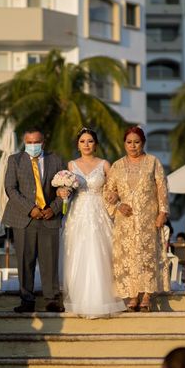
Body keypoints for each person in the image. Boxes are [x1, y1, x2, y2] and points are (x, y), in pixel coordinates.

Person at [60, 128, 126, 317]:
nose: (86, 145)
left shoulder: (105, 164)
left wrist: (114, 195)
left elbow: (116, 187)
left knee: (100, 252)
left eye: (90, 141)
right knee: (77, 252)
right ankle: (80, 300)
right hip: (78, 212)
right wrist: (62, 192)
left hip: (99, 211)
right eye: (82, 141)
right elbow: (67, 190)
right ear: (78, 145)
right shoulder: (71, 166)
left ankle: (101, 299)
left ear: (95, 144)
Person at [104, 126, 170, 312]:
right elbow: (108, 191)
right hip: (124, 220)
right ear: (124, 144)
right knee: (129, 257)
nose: (133, 146)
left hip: (148, 218)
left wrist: (162, 212)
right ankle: (133, 295)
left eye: (137, 142)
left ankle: (147, 294)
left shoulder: (153, 162)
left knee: (147, 255)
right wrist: (118, 205)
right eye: (129, 142)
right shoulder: (117, 166)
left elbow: (162, 188)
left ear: (143, 143)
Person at [3, 127, 66, 313]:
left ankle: (52, 299)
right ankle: (27, 300)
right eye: (29, 143)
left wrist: (53, 209)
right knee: (25, 261)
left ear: (43, 142)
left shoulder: (56, 160)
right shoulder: (14, 160)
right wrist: (30, 209)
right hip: (24, 218)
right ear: (24, 143)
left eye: (36, 142)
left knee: (50, 261)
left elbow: (64, 188)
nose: (32, 146)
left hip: (49, 218)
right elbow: (10, 189)